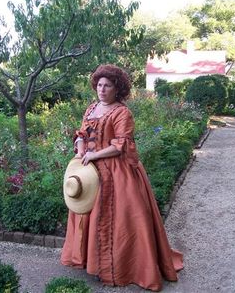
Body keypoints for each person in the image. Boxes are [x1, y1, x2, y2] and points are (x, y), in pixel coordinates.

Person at [61, 64, 183, 291]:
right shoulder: (91, 109)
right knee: (88, 213)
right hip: (89, 173)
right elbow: (81, 135)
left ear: (117, 89)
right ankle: (93, 264)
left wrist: (95, 153)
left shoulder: (122, 112)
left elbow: (120, 144)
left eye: (107, 85)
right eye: (99, 85)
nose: (102, 89)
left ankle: (118, 268)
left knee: (118, 220)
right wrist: (80, 150)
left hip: (117, 174)